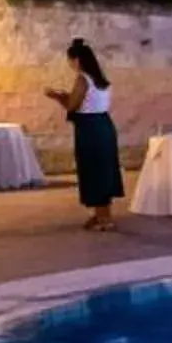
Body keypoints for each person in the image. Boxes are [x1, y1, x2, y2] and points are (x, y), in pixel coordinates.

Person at [47, 39, 122, 230]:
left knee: (94, 170)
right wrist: (67, 96)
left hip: (90, 128)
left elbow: (73, 105)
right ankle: (100, 214)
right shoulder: (100, 79)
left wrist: (57, 96)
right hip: (104, 125)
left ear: (77, 60)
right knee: (103, 169)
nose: (70, 64)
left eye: (70, 60)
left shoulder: (83, 79)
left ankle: (105, 218)